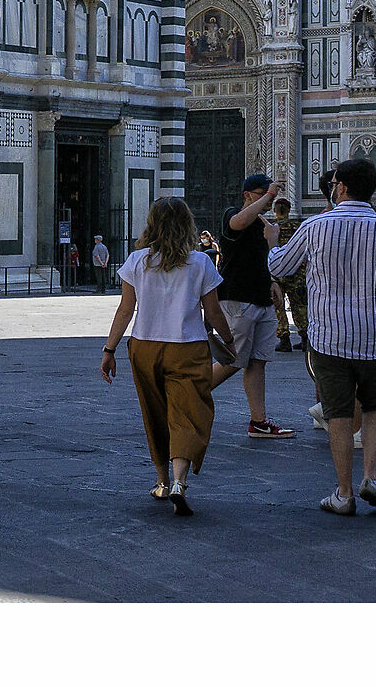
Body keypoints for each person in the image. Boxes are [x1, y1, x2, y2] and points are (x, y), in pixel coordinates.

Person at [268, 155, 376, 515]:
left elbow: (279, 266)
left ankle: (344, 493)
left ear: (341, 187)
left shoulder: (315, 226)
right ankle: (372, 477)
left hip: (328, 337)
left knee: (339, 414)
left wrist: (272, 241)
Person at [101, 197, 237, 515]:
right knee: (189, 412)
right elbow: (213, 311)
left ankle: (161, 482)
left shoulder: (137, 261)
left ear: (153, 224)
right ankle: (178, 481)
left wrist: (109, 349)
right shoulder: (201, 262)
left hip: (144, 346)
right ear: (187, 224)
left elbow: (125, 310)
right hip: (187, 346)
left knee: (155, 413)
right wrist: (228, 340)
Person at [211, 174, 297, 438]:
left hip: (260, 296)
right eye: (262, 193)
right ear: (248, 194)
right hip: (238, 297)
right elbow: (238, 224)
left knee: (258, 361)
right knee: (234, 359)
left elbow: (264, 258)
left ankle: (259, 421)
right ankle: (187, 395)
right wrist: (269, 197)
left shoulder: (264, 223)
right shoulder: (232, 213)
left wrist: (272, 279)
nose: (268, 200)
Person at [271, 195, 309, 351]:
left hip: (277, 272)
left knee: (279, 306)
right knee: (299, 305)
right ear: (289, 210)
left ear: (275, 210)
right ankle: (305, 337)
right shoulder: (297, 227)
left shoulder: (272, 228)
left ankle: (284, 338)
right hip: (296, 272)